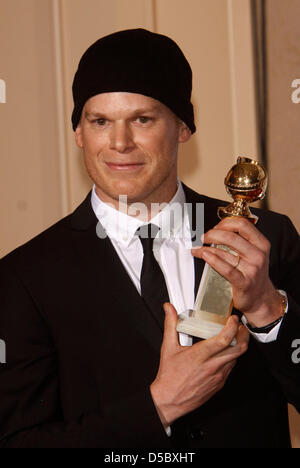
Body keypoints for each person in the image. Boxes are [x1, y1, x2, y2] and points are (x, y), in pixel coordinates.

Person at [0, 28, 299, 449]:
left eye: (142, 119)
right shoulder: (24, 277)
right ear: (79, 133)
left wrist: (270, 310)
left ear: (182, 126)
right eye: (100, 121)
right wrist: (158, 407)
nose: (120, 143)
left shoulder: (265, 238)